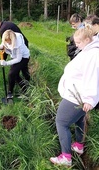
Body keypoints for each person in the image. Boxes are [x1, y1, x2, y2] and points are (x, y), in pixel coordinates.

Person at [50, 26, 99, 166]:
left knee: (61, 122)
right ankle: (78, 146)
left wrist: (90, 98)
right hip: (77, 93)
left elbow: (93, 76)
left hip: (77, 96)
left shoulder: (93, 54)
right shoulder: (88, 50)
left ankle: (66, 157)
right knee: (79, 119)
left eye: (78, 42)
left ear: (88, 40)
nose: (76, 45)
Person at [0, 30, 30, 98]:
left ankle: (10, 93)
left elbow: (18, 59)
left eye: (9, 41)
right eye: (6, 41)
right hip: (15, 56)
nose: (8, 42)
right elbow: (3, 44)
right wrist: (0, 47)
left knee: (11, 74)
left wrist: (6, 63)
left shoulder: (19, 44)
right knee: (15, 75)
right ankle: (25, 90)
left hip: (24, 57)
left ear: (13, 39)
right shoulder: (6, 37)